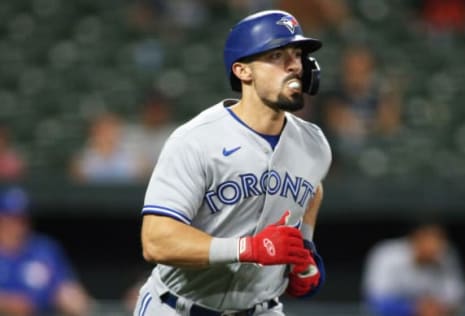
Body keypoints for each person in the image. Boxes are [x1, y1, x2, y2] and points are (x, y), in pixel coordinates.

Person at [133, 10, 332, 316]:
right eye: (277, 55)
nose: (294, 65)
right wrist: (247, 249)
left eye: (297, 54)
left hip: (261, 309)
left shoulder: (314, 144)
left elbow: (312, 188)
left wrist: (304, 248)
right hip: (179, 307)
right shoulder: (197, 139)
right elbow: (156, 240)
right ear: (243, 71)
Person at [0, 186, 93, 316]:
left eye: (23, 219)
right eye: (11, 218)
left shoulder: (43, 248)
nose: (18, 225)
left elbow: (66, 288)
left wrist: (78, 303)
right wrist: (5, 303)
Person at [362, 221, 465, 316]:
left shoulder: (446, 255)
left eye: (441, 240)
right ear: (417, 238)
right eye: (431, 240)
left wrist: (438, 307)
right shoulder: (387, 254)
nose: (438, 247)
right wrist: (414, 308)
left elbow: (457, 297)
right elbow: (375, 300)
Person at [69, 111, 145, 184]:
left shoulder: (133, 157)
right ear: (94, 132)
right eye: (103, 130)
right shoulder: (82, 160)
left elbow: (141, 177)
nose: (108, 134)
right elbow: (77, 181)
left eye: (112, 129)